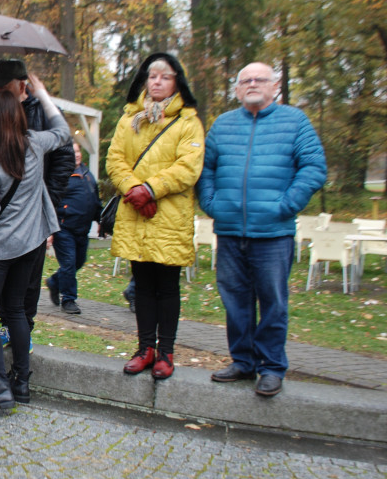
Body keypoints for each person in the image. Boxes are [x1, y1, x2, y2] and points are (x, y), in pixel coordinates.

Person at [199, 62, 326, 397]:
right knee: (235, 301)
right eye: (245, 80)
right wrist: (213, 204)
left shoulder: (295, 121)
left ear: (276, 86)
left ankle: (271, 367)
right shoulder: (223, 125)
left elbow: (314, 167)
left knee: (272, 302)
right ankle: (242, 361)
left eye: (259, 79)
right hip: (229, 230)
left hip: (273, 233)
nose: (252, 84)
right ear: (237, 88)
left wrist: (285, 205)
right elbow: (206, 170)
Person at [0, 78, 71, 413]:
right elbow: (64, 133)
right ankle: (21, 381)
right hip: (32, 241)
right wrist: (42, 94)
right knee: (15, 311)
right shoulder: (35, 143)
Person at [107, 52, 204, 380]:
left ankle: (166, 352)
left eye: (165, 77)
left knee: (167, 287)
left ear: (177, 81)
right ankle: (144, 348)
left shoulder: (188, 121)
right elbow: (115, 159)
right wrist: (134, 191)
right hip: (136, 215)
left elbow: (188, 167)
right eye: (152, 76)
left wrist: (150, 189)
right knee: (142, 285)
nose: (158, 82)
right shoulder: (129, 118)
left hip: (169, 216)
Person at [0, 59, 75, 343]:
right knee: (1, 276)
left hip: (35, 213)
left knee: (29, 279)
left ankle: (24, 329)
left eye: (3, 86)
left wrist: (45, 198)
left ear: (21, 85)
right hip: (1, 214)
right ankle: (7, 327)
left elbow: (64, 158)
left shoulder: (44, 115)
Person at [45, 143, 102, 315]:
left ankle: (55, 282)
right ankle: (68, 299)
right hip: (64, 227)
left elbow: (95, 199)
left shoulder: (87, 174)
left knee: (79, 261)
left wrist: (100, 221)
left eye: (78, 151)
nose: (76, 155)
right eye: (73, 152)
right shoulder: (62, 175)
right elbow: (51, 201)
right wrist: (50, 229)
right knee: (68, 263)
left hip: (83, 229)